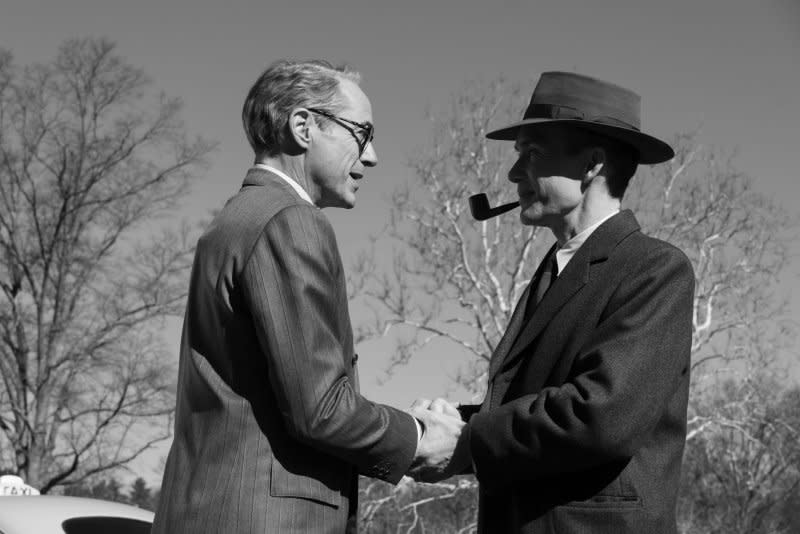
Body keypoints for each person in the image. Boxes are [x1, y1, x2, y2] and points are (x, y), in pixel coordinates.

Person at [152, 59, 463, 534]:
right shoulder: (289, 220)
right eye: (362, 133)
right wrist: (421, 436)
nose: (373, 155)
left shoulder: (233, 221)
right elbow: (321, 409)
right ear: (303, 127)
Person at [416, 72, 695, 533]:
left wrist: (468, 441)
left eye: (532, 154)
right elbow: (536, 402)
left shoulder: (655, 269)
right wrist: (447, 423)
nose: (512, 173)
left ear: (591, 165)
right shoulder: (554, 270)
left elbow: (600, 416)